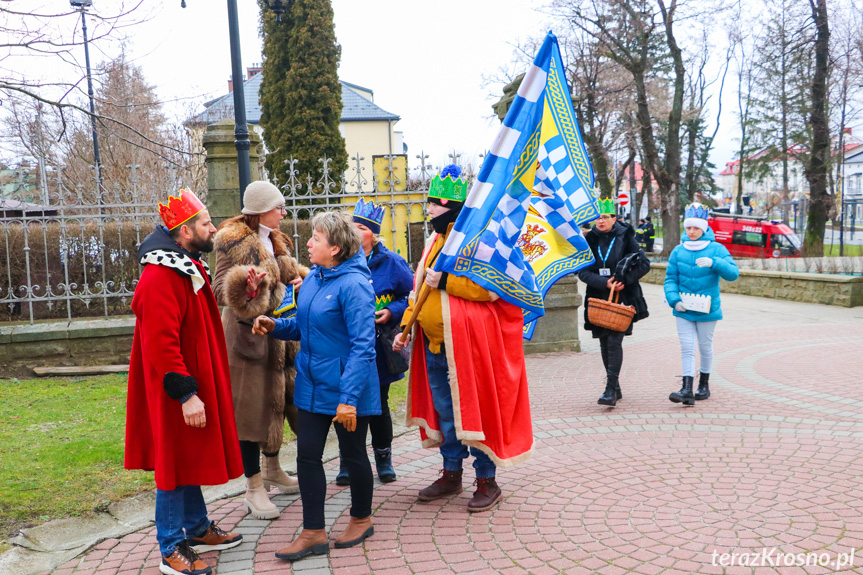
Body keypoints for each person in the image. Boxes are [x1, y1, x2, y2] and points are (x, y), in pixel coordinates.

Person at [393, 165, 534, 513]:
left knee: (476, 413)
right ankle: (451, 473)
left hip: (469, 348)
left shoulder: (478, 240)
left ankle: (487, 480)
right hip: (435, 346)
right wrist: (406, 327)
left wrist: (446, 282)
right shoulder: (435, 241)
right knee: (446, 414)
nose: (428, 212)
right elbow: (418, 289)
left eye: (433, 205)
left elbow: (490, 289)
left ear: (450, 207)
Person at [125, 189, 244, 575]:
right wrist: (186, 393)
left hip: (190, 384)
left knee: (188, 454)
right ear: (185, 232)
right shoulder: (161, 274)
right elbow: (161, 343)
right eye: (206, 223)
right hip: (174, 391)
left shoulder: (185, 263)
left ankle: (195, 527)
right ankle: (171, 547)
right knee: (173, 462)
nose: (213, 229)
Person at [252, 211, 380, 561]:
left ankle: (361, 518)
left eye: (316, 239)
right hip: (311, 383)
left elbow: (363, 347)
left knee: (353, 454)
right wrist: (274, 325)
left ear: (336, 248)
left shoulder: (355, 286)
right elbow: (304, 327)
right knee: (308, 456)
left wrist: (349, 399)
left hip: (347, 388)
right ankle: (313, 533)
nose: (307, 244)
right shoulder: (314, 279)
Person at [211, 181, 307, 520]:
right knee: (249, 413)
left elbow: (285, 277)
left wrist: (298, 280)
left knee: (276, 404)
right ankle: (253, 488)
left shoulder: (278, 240)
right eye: (278, 207)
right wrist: (247, 285)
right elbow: (219, 289)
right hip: (246, 340)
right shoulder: (232, 240)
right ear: (260, 209)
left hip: (279, 336)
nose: (283, 213)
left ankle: (272, 469)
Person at [334, 198, 413, 486]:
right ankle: (347, 459)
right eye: (352, 227)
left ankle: (383, 457)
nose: (354, 232)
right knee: (346, 402)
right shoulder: (338, 259)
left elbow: (412, 296)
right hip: (346, 346)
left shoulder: (392, 263)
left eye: (361, 227)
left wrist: (393, 310)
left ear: (373, 234)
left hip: (379, 350)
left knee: (378, 404)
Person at [664, 203, 739, 405]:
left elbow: (733, 274)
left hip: (707, 308)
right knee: (687, 347)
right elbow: (670, 278)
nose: (692, 231)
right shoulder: (678, 251)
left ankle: (703, 385)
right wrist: (674, 300)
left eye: (696, 227)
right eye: (688, 227)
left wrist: (714, 262)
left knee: (705, 346)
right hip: (684, 308)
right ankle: (686, 389)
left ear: (704, 228)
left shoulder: (717, 248)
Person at [578, 198, 650, 407]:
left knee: (614, 341)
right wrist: (603, 283)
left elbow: (643, 264)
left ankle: (610, 388)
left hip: (623, 296)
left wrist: (623, 280)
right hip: (599, 295)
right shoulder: (589, 239)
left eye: (605, 217)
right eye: (598, 218)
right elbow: (581, 271)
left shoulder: (626, 235)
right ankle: (615, 386)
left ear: (614, 218)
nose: (601, 221)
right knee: (603, 341)